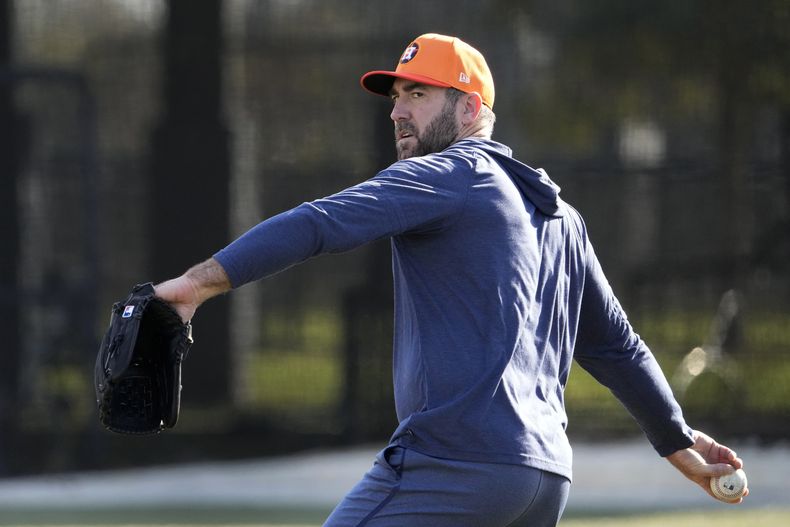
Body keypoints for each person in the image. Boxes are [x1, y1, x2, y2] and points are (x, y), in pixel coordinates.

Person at [154, 33, 748, 526]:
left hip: (453, 464)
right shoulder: (559, 214)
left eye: (418, 93)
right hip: (540, 481)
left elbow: (320, 222)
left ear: (469, 109)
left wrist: (195, 285)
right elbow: (615, 343)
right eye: (396, 95)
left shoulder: (451, 173)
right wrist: (679, 442)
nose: (397, 110)